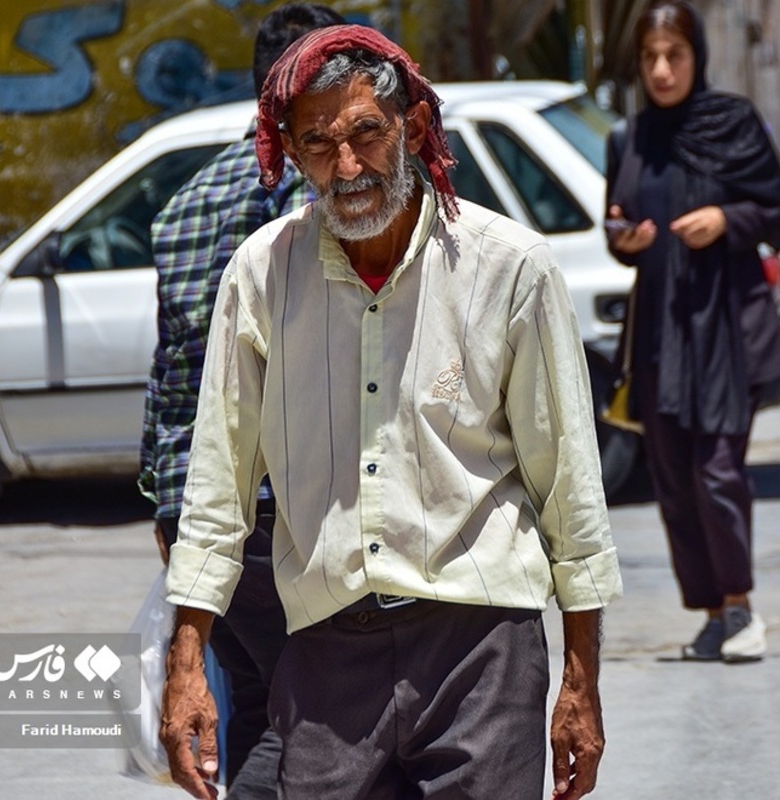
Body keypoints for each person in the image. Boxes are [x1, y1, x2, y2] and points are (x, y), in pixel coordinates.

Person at [157, 24, 623, 800]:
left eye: (366, 133)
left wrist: (581, 677)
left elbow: (569, 487)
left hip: (483, 655)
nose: (347, 167)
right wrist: (186, 669)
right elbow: (216, 491)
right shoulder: (261, 277)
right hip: (325, 656)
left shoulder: (510, 267)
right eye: (318, 144)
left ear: (410, 127)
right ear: (291, 155)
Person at [138, 4, 345, 797]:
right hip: (283, 506)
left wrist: (167, 513)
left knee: (259, 703)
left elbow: (167, 381)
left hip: (202, 513)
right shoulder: (315, 193)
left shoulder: (181, 206)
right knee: (315, 714)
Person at [605, 0, 780, 664]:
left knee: (717, 469)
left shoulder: (733, 123)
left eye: (674, 56)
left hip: (722, 326)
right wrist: (624, 240)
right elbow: (619, 226)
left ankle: (742, 605)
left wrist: (726, 220)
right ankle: (712, 611)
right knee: (674, 480)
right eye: (650, 58)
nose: (661, 70)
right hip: (659, 328)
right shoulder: (628, 140)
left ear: (696, 57)